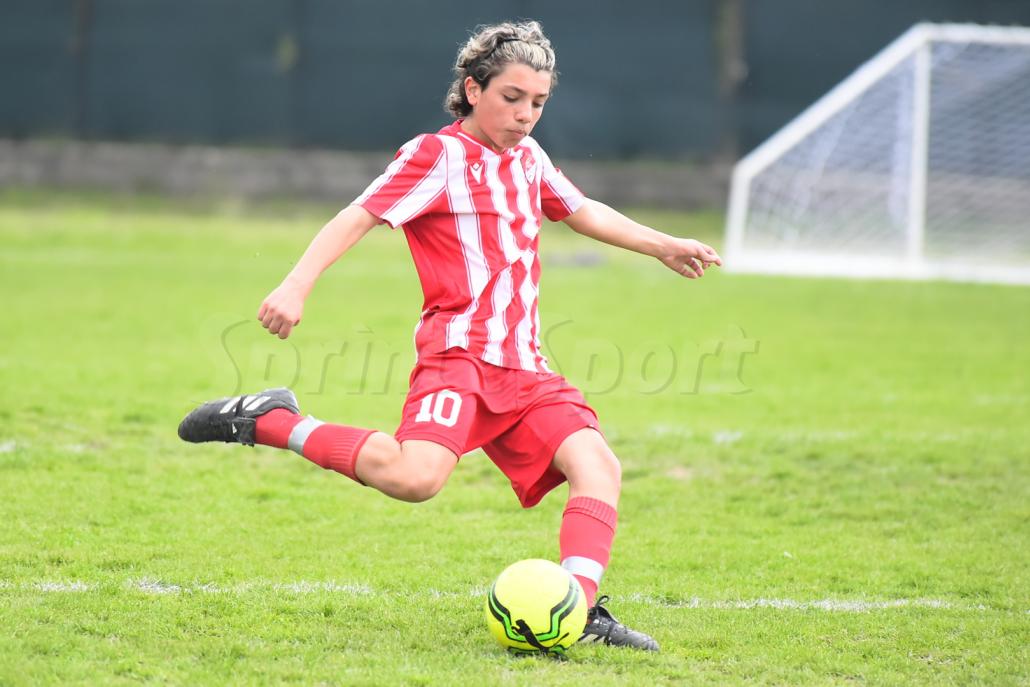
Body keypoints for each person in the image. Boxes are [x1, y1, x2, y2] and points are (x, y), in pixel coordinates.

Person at [178, 20, 721, 652]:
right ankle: (272, 420)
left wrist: (663, 245)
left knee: (597, 465)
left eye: (538, 102)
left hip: (525, 365)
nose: (525, 115)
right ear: (472, 89)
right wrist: (296, 285)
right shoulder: (435, 157)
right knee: (416, 479)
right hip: (457, 356)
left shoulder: (529, 158)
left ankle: (579, 612)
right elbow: (359, 215)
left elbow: (581, 211)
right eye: (511, 97)